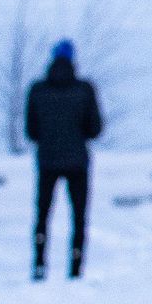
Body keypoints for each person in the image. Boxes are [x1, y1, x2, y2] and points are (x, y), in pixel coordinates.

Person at [24, 39, 102, 282]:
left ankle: (39, 263)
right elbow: (95, 129)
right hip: (77, 162)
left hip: (47, 160)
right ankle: (75, 266)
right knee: (78, 216)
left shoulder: (38, 90)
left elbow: (31, 131)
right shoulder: (84, 90)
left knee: (43, 214)